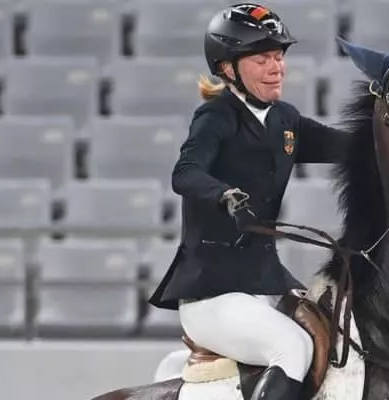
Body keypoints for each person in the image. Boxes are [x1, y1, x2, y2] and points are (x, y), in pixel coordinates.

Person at [148, 3, 348, 400]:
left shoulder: (284, 119)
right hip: (212, 292)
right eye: (262, 59)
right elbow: (185, 173)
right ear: (228, 68)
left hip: (266, 281)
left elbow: (348, 147)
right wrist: (224, 195)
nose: (276, 68)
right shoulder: (216, 116)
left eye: (278, 57)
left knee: (336, 335)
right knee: (293, 348)